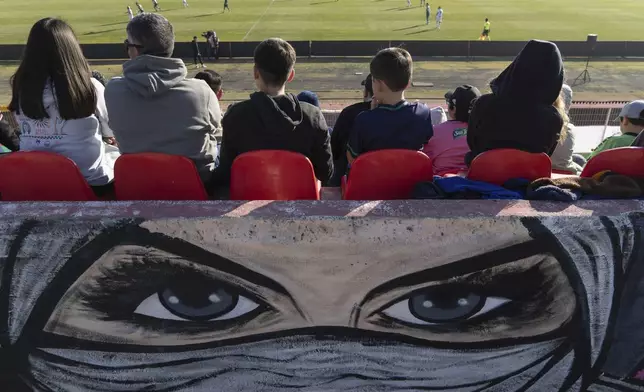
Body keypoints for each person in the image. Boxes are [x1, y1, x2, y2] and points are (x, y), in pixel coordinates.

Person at [105, 13, 221, 184]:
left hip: (138, 184)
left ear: (135, 50)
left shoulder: (113, 90)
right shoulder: (201, 91)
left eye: (127, 44)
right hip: (194, 185)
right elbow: (217, 135)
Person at [9, 18, 118, 194]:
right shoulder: (90, 86)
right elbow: (111, 132)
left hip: (36, 181)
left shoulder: (20, 88)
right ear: (72, 50)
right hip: (92, 184)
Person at [210, 38, 333, 190]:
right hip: (299, 202)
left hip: (247, 200)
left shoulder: (235, 115)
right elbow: (326, 173)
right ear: (291, 75)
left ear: (256, 72)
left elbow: (226, 173)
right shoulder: (313, 116)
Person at [466, 40, 566, 165]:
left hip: (482, 176)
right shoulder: (553, 118)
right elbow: (545, 156)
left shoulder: (484, 104)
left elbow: (472, 143)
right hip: (528, 180)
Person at [346, 48, 433, 167]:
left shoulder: (364, 120)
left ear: (379, 84)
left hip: (374, 183)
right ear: (408, 83)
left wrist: (373, 114)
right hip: (410, 182)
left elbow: (352, 159)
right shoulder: (423, 112)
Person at [423, 85, 480, 175]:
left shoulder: (435, 132)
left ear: (453, 109)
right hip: (476, 181)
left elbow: (424, 159)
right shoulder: (485, 133)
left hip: (442, 185)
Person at [328, 75, 373, 186]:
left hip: (350, 178)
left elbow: (335, 149)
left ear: (366, 92)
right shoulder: (415, 114)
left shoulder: (349, 113)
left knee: (329, 131)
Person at [551, 84, 583, 174]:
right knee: (580, 160)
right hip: (565, 171)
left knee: (578, 159)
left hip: (549, 169)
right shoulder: (570, 129)